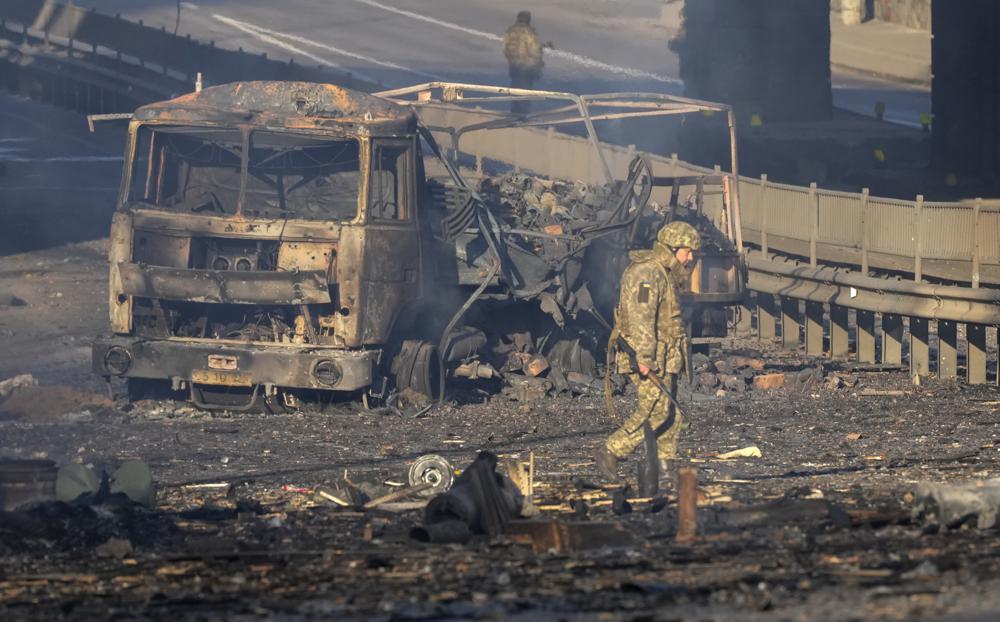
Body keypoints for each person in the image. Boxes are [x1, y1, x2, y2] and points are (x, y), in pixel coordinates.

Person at [594, 221, 702, 480]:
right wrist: (645, 357)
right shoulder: (647, 274)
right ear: (673, 248)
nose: (690, 258)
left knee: (671, 412)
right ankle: (611, 450)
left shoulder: (663, 273)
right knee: (655, 410)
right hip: (645, 355)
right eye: (687, 252)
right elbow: (641, 317)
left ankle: (665, 465)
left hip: (664, 356)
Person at [502, 11, 544, 113]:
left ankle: (514, 113)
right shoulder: (529, 33)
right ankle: (521, 116)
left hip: (514, 66)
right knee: (524, 93)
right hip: (527, 67)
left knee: (515, 92)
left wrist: (512, 60)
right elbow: (535, 51)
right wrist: (538, 66)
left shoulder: (510, 31)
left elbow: (505, 49)